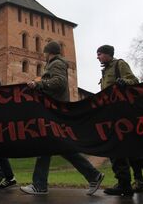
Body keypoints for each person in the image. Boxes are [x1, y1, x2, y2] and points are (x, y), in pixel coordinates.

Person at [20, 41, 105, 196]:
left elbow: (60, 83)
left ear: (49, 52)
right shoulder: (55, 64)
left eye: (45, 52)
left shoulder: (56, 64)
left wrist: (39, 84)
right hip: (53, 111)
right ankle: (94, 175)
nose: (44, 55)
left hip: (53, 111)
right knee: (62, 148)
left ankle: (39, 185)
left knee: (44, 146)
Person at [96, 44, 143, 197]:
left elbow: (134, 80)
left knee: (115, 148)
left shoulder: (119, 64)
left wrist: (124, 82)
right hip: (113, 113)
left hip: (122, 113)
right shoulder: (105, 70)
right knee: (125, 148)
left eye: (100, 54)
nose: (97, 57)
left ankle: (125, 183)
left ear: (108, 54)